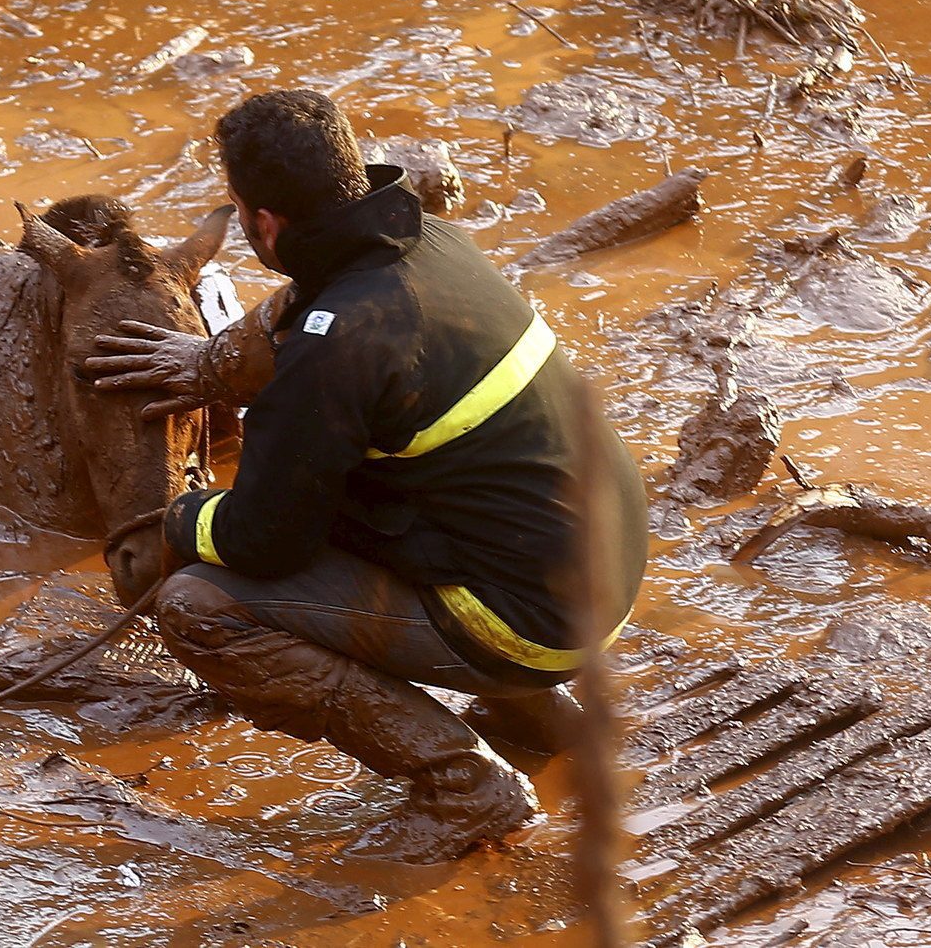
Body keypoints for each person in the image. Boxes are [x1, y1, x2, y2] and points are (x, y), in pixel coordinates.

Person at [84, 89, 648, 863]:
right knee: (413, 485)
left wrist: (178, 520)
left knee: (198, 602)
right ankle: (545, 718)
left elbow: (263, 540)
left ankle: (461, 781)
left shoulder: (337, 346)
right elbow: (300, 310)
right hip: (599, 574)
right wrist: (211, 364)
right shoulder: (428, 244)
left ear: (263, 223)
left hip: (527, 620)